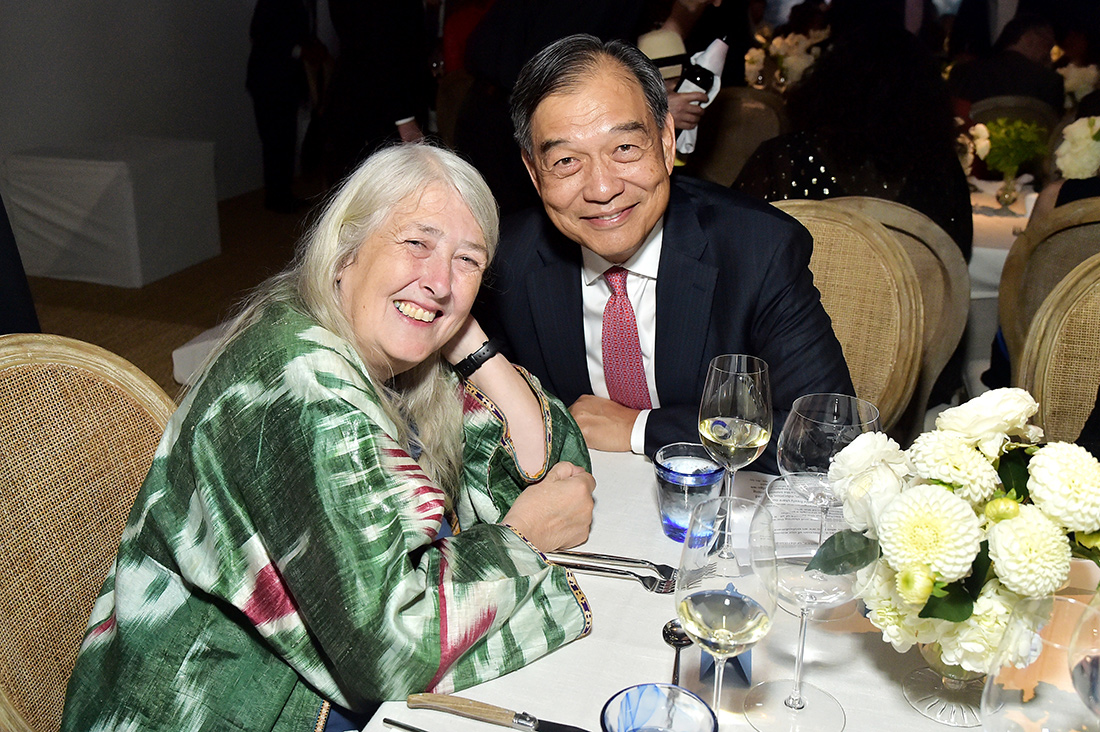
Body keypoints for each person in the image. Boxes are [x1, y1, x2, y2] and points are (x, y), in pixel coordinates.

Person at [60, 144, 596, 732]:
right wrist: (519, 536)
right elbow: (391, 646)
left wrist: (471, 345)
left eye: (468, 262)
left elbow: (556, 473)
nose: (439, 280)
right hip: (228, 706)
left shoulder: (400, 355)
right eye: (416, 243)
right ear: (347, 250)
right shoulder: (298, 378)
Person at [475, 34, 853, 470]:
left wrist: (642, 428)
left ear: (667, 142)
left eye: (624, 149)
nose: (603, 189)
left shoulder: (756, 251)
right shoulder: (506, 261)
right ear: (534, 173)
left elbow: (830, 440)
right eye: (566, 162)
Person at [734, 26, 974, 261]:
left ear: (830, 84)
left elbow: (733, 243)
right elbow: (957, 258)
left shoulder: (784, 158)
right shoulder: (941, 167)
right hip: (911, 300)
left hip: (801, 299)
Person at [246, 0, 324, 212]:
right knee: (277, 140)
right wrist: (301, 50)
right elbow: (260, 34)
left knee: (282, 140)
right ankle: (278, 196)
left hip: (278, 81)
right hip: (270, 82)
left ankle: (280, 194)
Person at [948, 13, 1064, 114]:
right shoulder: (1049, 81)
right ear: (1029, 39)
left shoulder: (963, 72)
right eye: (1048, 45)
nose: (1049, 56)